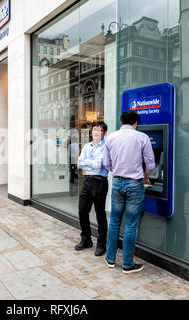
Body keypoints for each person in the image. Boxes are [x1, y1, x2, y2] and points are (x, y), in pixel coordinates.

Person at [104, 111, 155, 274]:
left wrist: (118, 171)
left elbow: (107, 164)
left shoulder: (111, 138)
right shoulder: (142, 137)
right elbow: (151, 164)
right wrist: (146, 178)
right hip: (135, 184)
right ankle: (127, 264)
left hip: (117, 183)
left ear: (121, 121)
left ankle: (110, 259)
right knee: (131, 224)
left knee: (114, 221)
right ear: (136, 123)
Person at [74, 121, 109, 257]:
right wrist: (90, 164)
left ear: (104, 133)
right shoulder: (87, 147)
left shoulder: (106, 147)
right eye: (94, 130)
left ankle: (101, 244)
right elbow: (79, 163)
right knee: (82, 211)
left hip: (99, 182)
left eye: (99, 130)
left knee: (100, 214)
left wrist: (88, 164)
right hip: (87, 181)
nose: (95, 132)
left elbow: (99, 166)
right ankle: (86, 239)